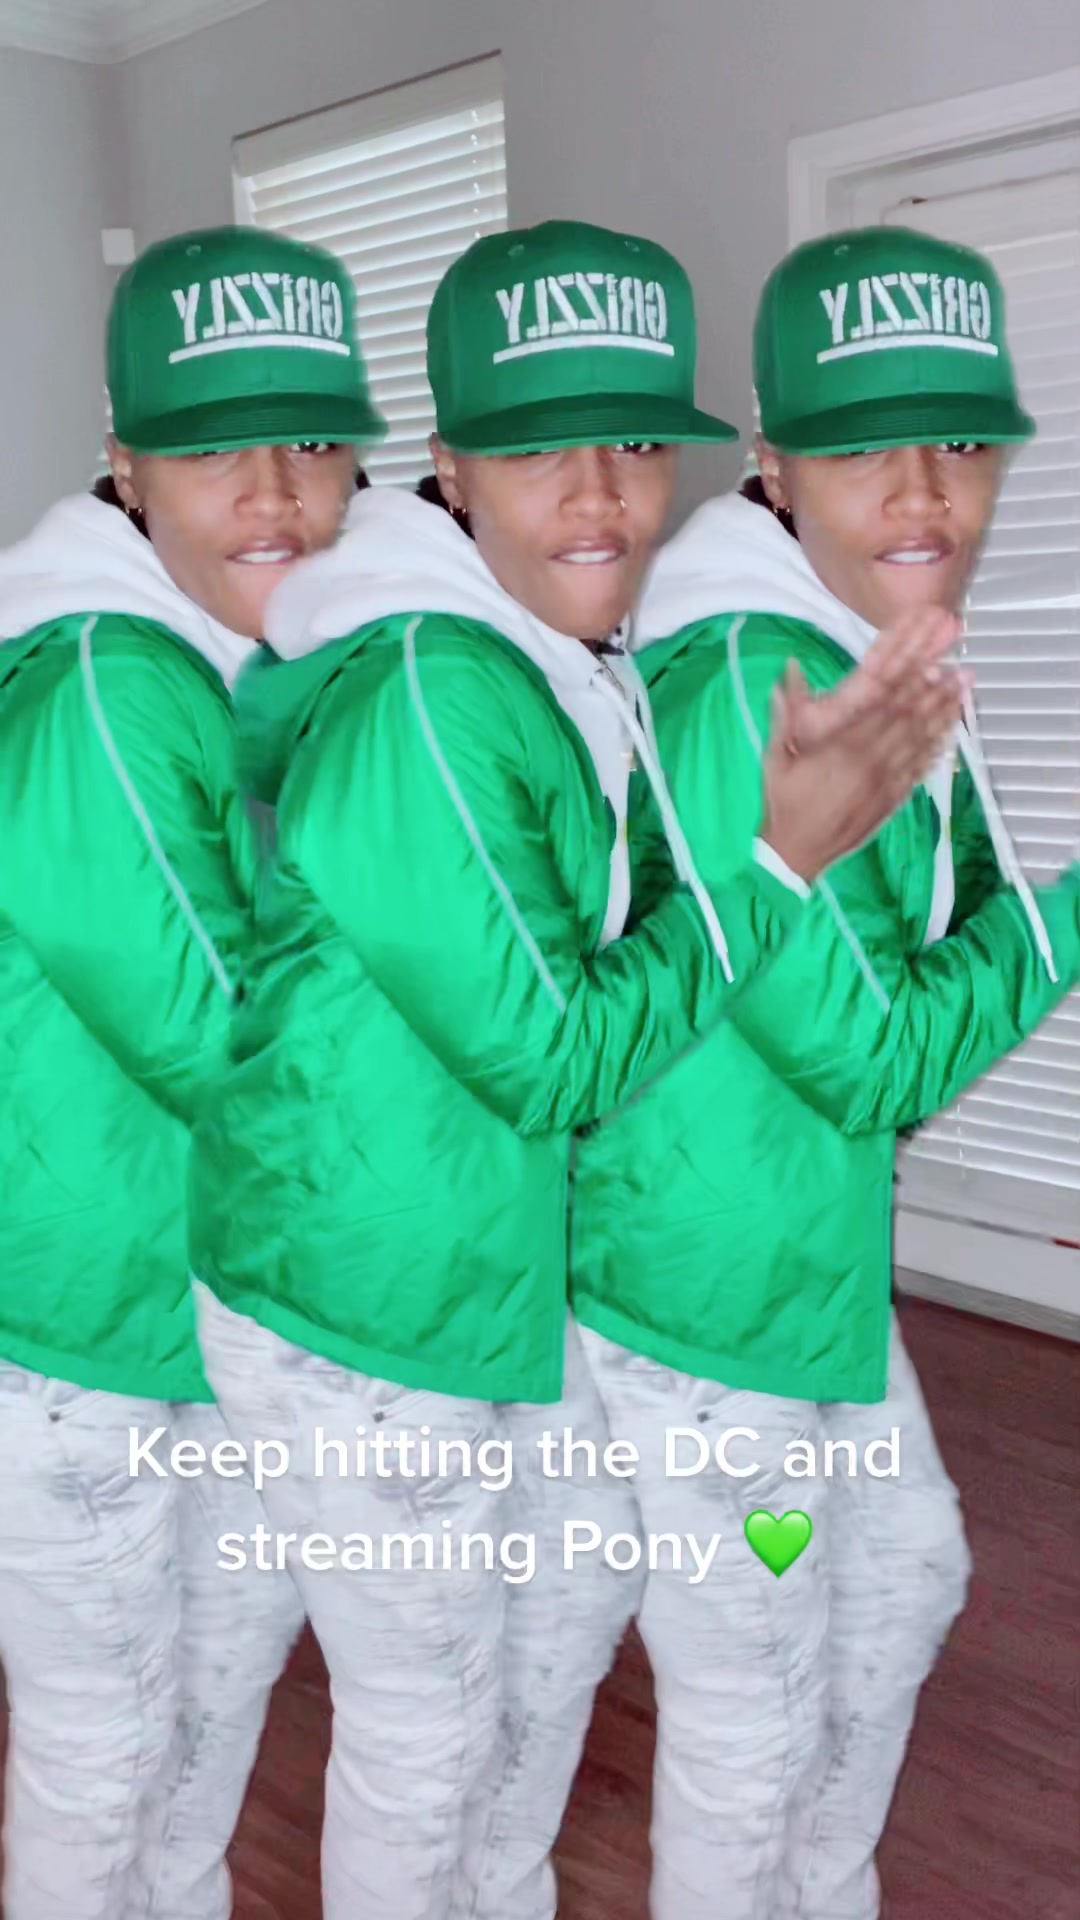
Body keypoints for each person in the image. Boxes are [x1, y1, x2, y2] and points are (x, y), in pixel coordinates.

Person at [188, 217, 965, 1920]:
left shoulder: (555, 664)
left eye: (632, 441)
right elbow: (558, 1057)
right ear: (452, 465)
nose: (602, 493)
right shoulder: (430, 691)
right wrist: (781, 861)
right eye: (541, 449)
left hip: (471, 1264)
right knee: (434, 1727)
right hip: (359, 1293)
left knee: (533, 1663)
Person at [571, 224, 1080, 1920]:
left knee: (908, 1576)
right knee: (751, 1705)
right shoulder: (749, 679)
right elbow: (880, 1058)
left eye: (962, 440)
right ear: (777, 464)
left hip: (802, 1259)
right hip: (693, 1287)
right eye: (865, 450)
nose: (926, 492)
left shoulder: (883, 642)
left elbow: (952, 944)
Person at [0, 224, 384, 1920]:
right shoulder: (99, 684)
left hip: (234, 1316)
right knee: (107, 1758)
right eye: (217, 447)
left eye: (311, 440)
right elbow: (227, 1043)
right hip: (89, 1339)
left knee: (206, 1728)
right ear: (125, 460)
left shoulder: (262, 677)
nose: (277, 494)